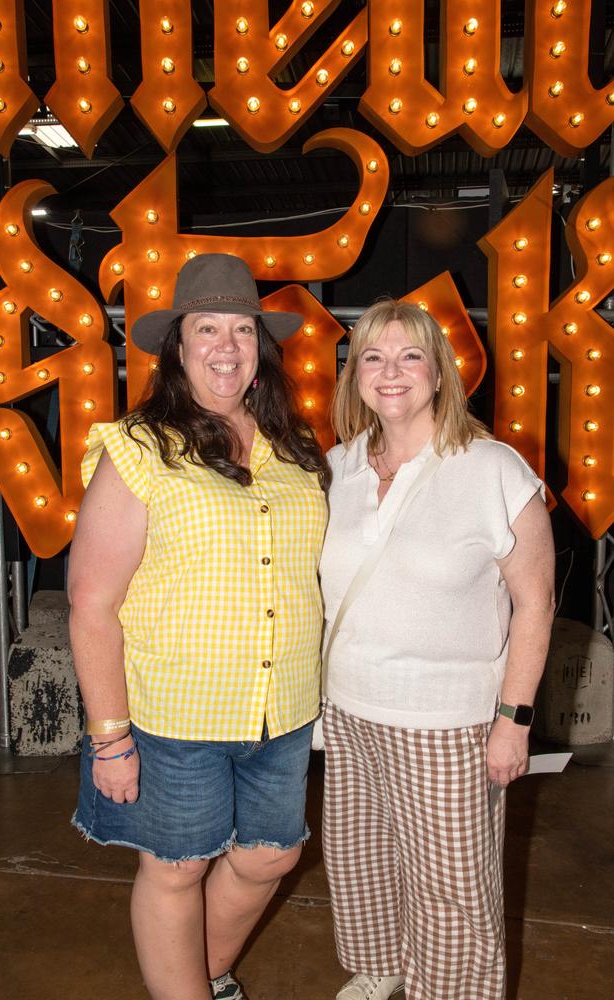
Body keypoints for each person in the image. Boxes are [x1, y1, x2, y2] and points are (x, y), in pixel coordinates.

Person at [69, 253, 330, 1000]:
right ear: (177, 348)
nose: (226, 345)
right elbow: (91, 601)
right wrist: (110, 736)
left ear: (260, 348)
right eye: (206, 328)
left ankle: (202, 975)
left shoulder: (295, 449)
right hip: (172, 714)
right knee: (176, 867)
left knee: (272, 857)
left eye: (242, 329)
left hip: (280, 712)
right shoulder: (141, 447)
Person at [319, 300, 555, 1000]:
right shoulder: (338, 466)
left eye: (410, 356)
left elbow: (535, 603)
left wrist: (514, 719)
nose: (391, 372)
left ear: (440, 372)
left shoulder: (492, 468)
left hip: (448, 721)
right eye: (373, 356)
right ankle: (384, 965)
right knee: (360, 858)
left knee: (452, 886)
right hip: (348, 710)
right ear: (353, 373)